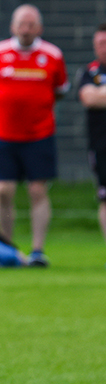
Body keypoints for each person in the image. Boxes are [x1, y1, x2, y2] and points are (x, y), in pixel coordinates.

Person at [0, 4, 69, 267]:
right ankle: (8, 250)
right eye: (22, 24)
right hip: (5, 134)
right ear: (13, 26)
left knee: (37, 189)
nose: (26, 29)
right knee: (3, 190)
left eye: (31, 25)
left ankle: (37, 250)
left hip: (40, 134)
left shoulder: (52, 54)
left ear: (39, 28)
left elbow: (60, 90)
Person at [78, 22, 106, 254]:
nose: (103, 47)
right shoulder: (89, 73)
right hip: (101, 145)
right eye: (100, 43)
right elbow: (90, 99)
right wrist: (97, 96)